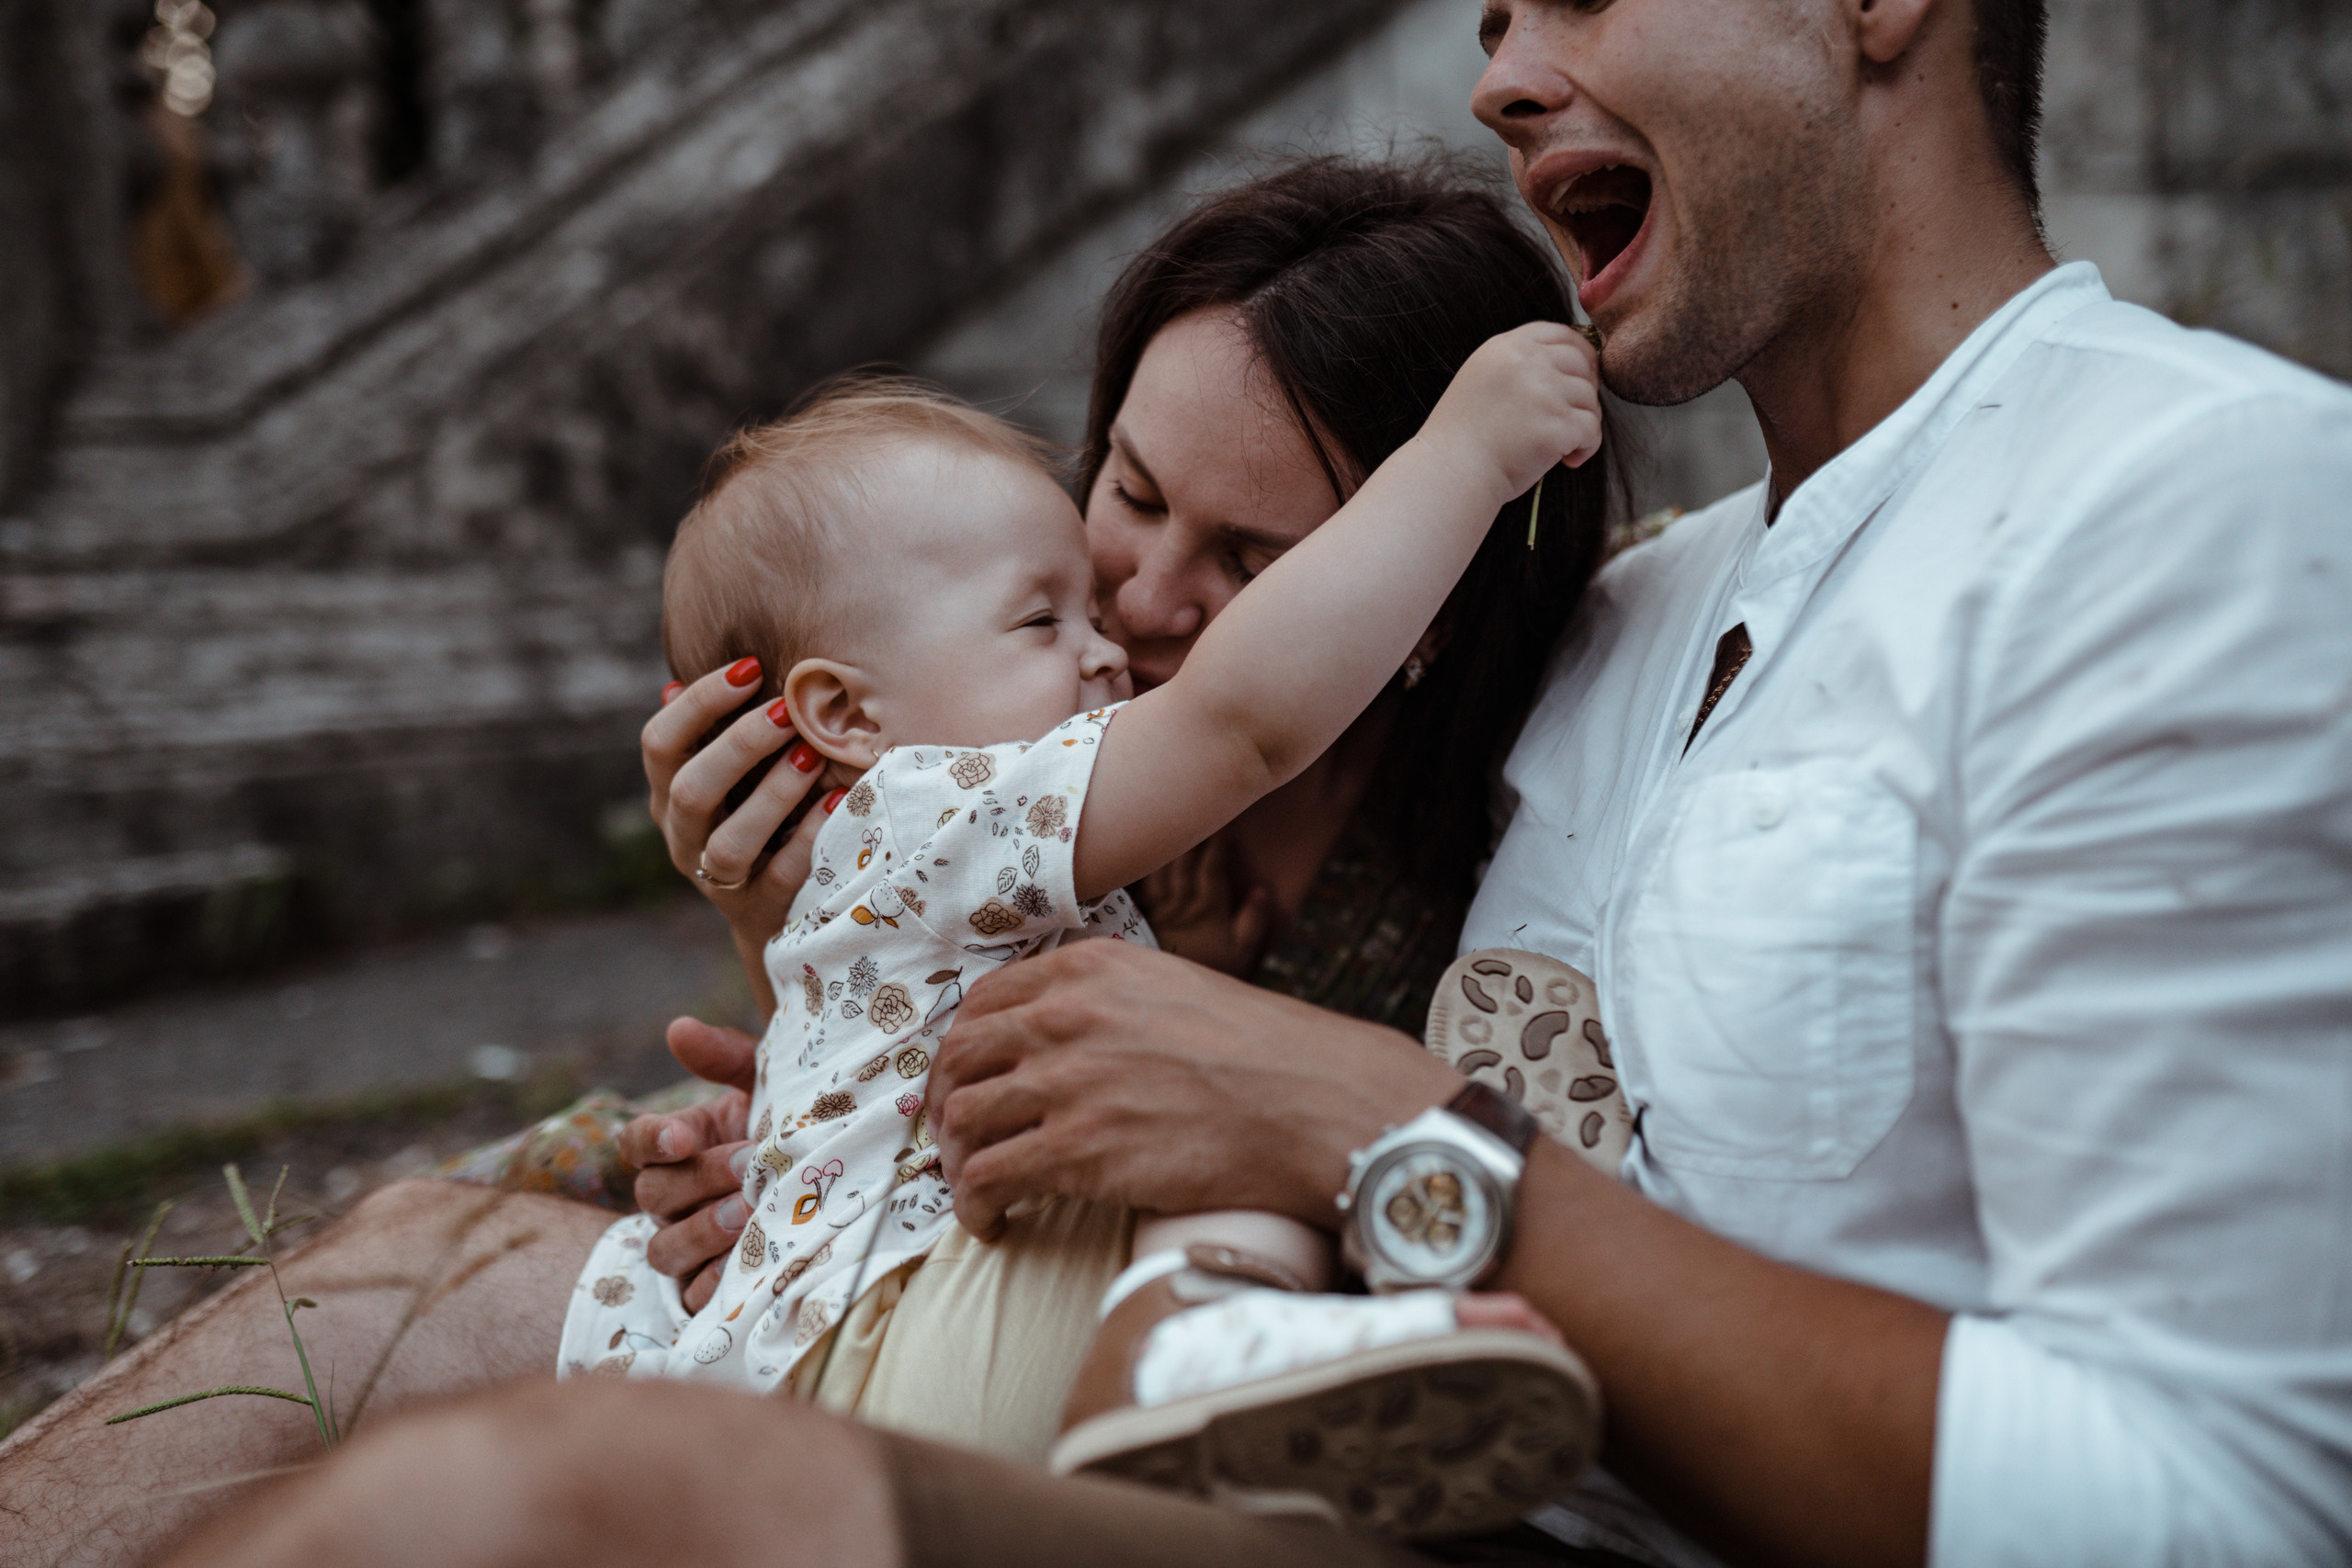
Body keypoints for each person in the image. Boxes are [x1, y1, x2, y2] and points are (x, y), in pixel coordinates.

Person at [134, 0, 2352, 1562]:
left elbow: (2225, 1504)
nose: (1493, 70)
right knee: (409, 1260)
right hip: (1183, 1355)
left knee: (530, 1506)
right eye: (1492, 8)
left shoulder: (2179, 495)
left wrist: (1359, 1125)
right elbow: (1205, 873)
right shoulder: (1636, 613)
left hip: (1412, 1472)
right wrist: (826, 996)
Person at [0, 159, 1626, 1567]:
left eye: (1254, 560)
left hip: (1101, 1423)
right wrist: (779, 1054)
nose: (1130, 597)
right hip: (878, 1322)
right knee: (427, 1251)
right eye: (1124, 491)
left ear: (1418, 600)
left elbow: (1255, 744)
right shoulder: (998, 774)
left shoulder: (1504, 869)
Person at [560, 365, 1610, 1538]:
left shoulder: (904, 845)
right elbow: (1242, 725)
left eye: (1088, 616)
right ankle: (1207, 1333)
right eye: (1040, 621)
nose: (1112, 649)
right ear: (848, 716)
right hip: (928, 1338)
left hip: (881, 1359)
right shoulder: (926, 805)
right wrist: (1470, 450)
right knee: (1237, 1117)